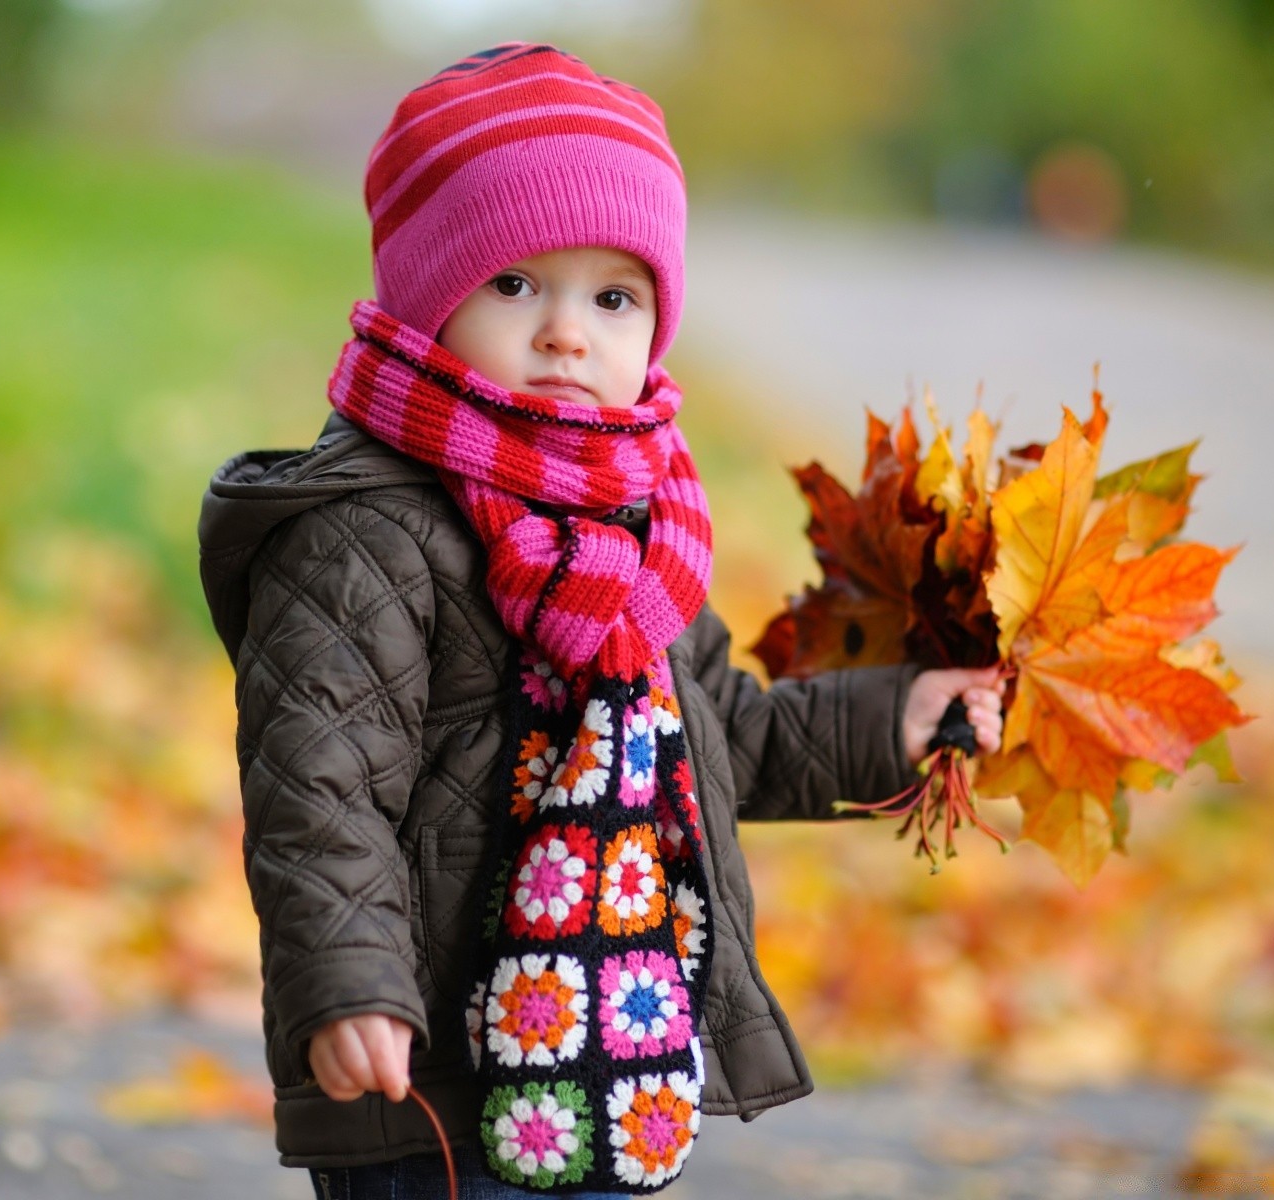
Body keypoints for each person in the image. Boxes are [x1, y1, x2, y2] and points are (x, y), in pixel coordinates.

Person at [196, 42, 1006, 1198]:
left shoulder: (636, 532)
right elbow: (320, 790)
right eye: (516, 284)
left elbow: (721, 735)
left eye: (613, 297)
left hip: (611, 1046)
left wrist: (897, 718)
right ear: (427, 298)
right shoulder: (362, 532)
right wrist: (350, 985)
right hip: (433, 1067)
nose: (568, 333)